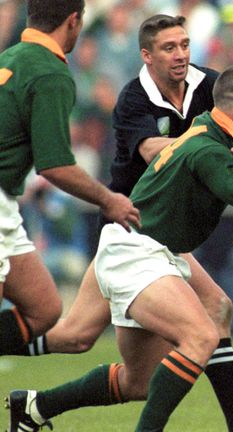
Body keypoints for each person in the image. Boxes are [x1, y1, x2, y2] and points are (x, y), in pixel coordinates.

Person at [3, 14, 233, 432]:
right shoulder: (132, 99)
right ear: (146, 55)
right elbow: (154, 151)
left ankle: (34, 407)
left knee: (102, 350)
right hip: (132, 228)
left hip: (157, 234)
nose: (180, 55)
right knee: (90, 332)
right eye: (168, 48)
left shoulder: (212, 86)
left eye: (184, 44)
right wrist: (209, 148)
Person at [0, 0, 139, 358]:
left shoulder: (12, 56)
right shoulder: (51, 71)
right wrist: (109, 199)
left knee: (43, 308)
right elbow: (56, 166)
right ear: (74, 21)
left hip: (7, 203)